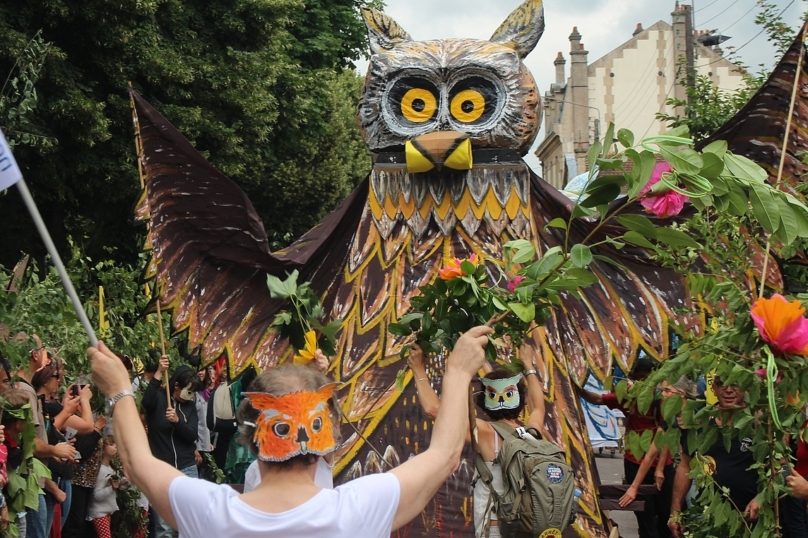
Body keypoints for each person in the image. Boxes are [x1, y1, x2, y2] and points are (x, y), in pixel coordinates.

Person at [87, 325, 492, 538]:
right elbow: (444, 454)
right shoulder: (357, 511)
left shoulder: (210, 512)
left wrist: (120, 388)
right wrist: (457, 373)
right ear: (326, 438)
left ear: (250, 434)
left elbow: (137, 462)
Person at [408, 344, 546, 537]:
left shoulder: (486, 432)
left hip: (499, 528)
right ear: (522, 403)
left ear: (484, 403)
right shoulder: (532, 432)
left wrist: (418, 369)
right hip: (531, 524)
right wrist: (528, 365)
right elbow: (538, 407)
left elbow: (434, 410)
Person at [575, 358, 673, 538]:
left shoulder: (663, 400)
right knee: (643, 513)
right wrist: (576, 388)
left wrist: (660, 468)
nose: (640, 383)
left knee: (666, 513)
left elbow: (665, 436)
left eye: (644, 378)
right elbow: (597, 399)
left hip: (661, 462)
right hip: (634, 461)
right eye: (636, 379)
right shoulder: (628, 396)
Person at [668, 376, 759, 537]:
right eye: (722, 384)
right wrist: (675, 511)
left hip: (752, 519)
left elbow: (780, 468)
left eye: (736, 384)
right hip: (708, 518)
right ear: (714, 389)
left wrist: (761, 498)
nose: (729, 390)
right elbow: (685, 466)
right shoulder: (701, 423)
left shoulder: (759, 424)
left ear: (746, 389)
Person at [17, 340, 77, 538]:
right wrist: (54, 450)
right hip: (31, 481)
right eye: (44, 351)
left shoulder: (28, 390)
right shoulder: (25, 391)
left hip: (38, 480)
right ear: (35, 355)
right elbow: (29, 442)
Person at [141, 356, 200, 537]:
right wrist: (159, 371)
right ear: (176, 386)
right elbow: (146, 401)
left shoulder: (189, 407)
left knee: (189, 521)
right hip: (162, 470)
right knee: (163, 526)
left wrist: (177, 422)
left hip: (187, 468)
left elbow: (192, 435)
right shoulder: (158, 399)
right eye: (188, 391)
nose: (191, 396)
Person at [87, 436, 120, 538]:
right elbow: (96, 495)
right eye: (111, 444)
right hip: (99, 513)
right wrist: (112, 488)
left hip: (106, 511)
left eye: (115, 444)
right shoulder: (101, 470)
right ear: (103, 449)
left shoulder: (111, 468)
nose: (115, 447)